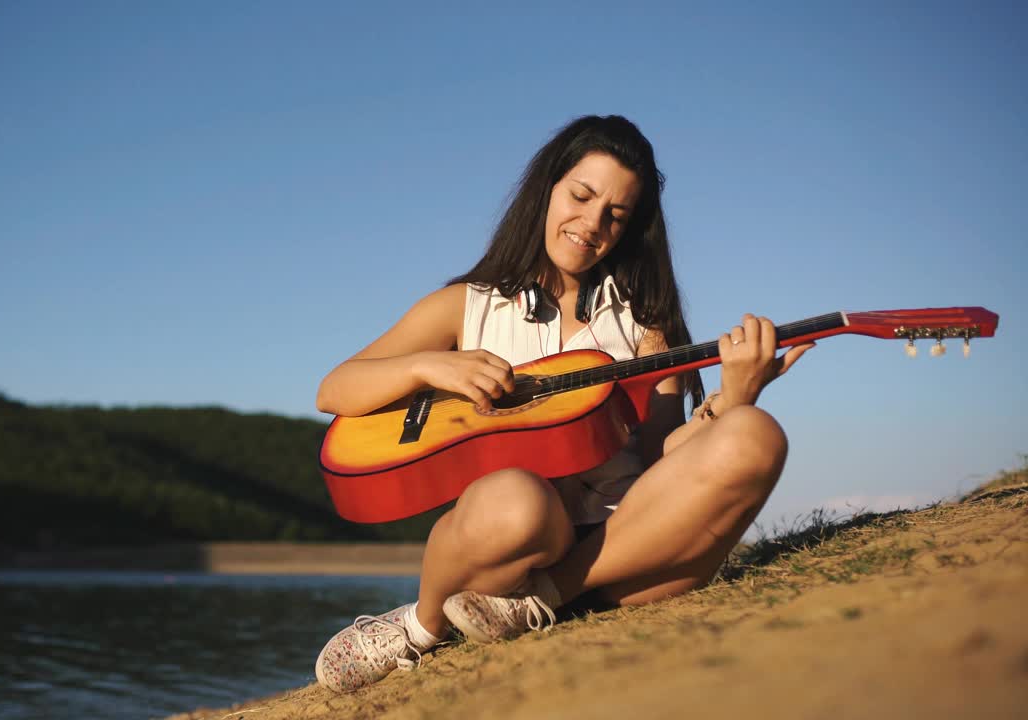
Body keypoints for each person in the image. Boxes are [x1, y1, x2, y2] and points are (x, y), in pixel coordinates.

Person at [312, 115, 814, 693]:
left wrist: (737, 396)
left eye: (616, 215)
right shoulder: (465, 307)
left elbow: (661, 457)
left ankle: (550, 598)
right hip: (512, 547)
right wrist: (431, 364)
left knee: (755, 432)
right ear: (547, 187)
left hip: (624, 559)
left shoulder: (646, 326)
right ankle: (420, 627)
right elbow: (335, 389)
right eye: (581, 195)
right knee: (516, 499)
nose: (591, 223)